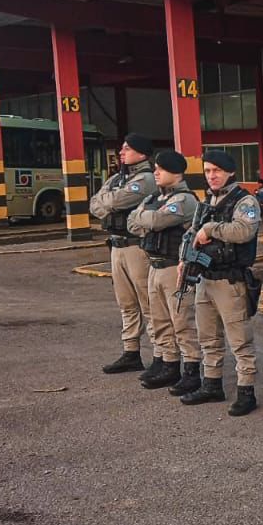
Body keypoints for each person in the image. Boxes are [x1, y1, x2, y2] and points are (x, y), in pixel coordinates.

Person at [178, 149, 262, 416]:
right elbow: (191, 233)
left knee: (240, 341)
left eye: (216, 171)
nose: (211, 176)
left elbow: (243, 231)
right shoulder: (208, 201)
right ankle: (212, 384)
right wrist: (184, 259)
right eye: (207, 171)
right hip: (206, 277)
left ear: (230, 172)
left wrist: (210, 229)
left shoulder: (244, 201)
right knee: (208, 337)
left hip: (230, 280)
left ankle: (246, 391)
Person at [126, 150, 201, 395]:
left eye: (160, 169)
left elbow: (156, 221)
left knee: (182, 322)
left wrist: (144, 218)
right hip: (155, 266)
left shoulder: (184, 200)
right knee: (159, 321)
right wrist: (145, 218)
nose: (155, 173)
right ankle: (168, 364)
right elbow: (131, 222)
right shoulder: (155, 198)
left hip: (173, 268)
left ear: (176, 172)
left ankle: (190, 369)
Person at [88, 133, 156, 376]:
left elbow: (119, 199)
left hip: (137, 247)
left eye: (127, 148)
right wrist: (109, 201)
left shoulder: (146, 179)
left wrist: (108, 201)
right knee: (126, 303)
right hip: (117, 247)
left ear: (142, 153)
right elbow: (94, 204)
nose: (121, 152)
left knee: (148, 303)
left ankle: (162, 356)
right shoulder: (118, 177)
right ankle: (131, 352)